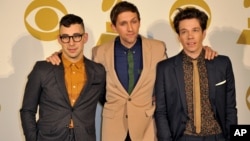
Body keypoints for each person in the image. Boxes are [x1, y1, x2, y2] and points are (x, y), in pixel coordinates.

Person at [46, 2, 217, 141]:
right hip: (113, 128)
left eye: (134, 21)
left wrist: (204, 51)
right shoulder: (99, 52)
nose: (130, 28)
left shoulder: (157, 48)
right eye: (123, 23)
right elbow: (87, 75)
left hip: (147, 127)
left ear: (139, 22)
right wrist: (59, 55)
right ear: (113, 27)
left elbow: (175, 70)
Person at [154, 7, 237, 141]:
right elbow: (161, 112)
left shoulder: (222, 63)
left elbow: (230, 107)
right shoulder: (165, 68)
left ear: (203, 33)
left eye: (195, 30)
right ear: (178, 36)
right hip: (184, 137)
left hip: (217, 135)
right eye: (184, 32)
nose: (190, 36)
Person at [20, 14, 106, 141]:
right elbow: (27, 110)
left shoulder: (98, 71)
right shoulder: (42, 69)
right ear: (59, 39)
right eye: (65, 37)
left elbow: (111, 102)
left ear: (85, 38)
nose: (71, 43)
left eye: (76, 36)